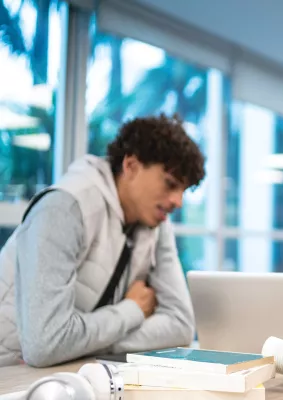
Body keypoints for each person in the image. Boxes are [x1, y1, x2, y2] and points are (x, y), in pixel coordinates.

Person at [0, 114, 205, 367]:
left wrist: (80, 345)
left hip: (73, 371)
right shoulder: (64, 207)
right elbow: (45, 344)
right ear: (131, 166)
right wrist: (132, 310)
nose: (178, 201)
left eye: (184, 190)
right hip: (12, 375)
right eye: (170, 183)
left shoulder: (156, 223)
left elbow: (181, 327)